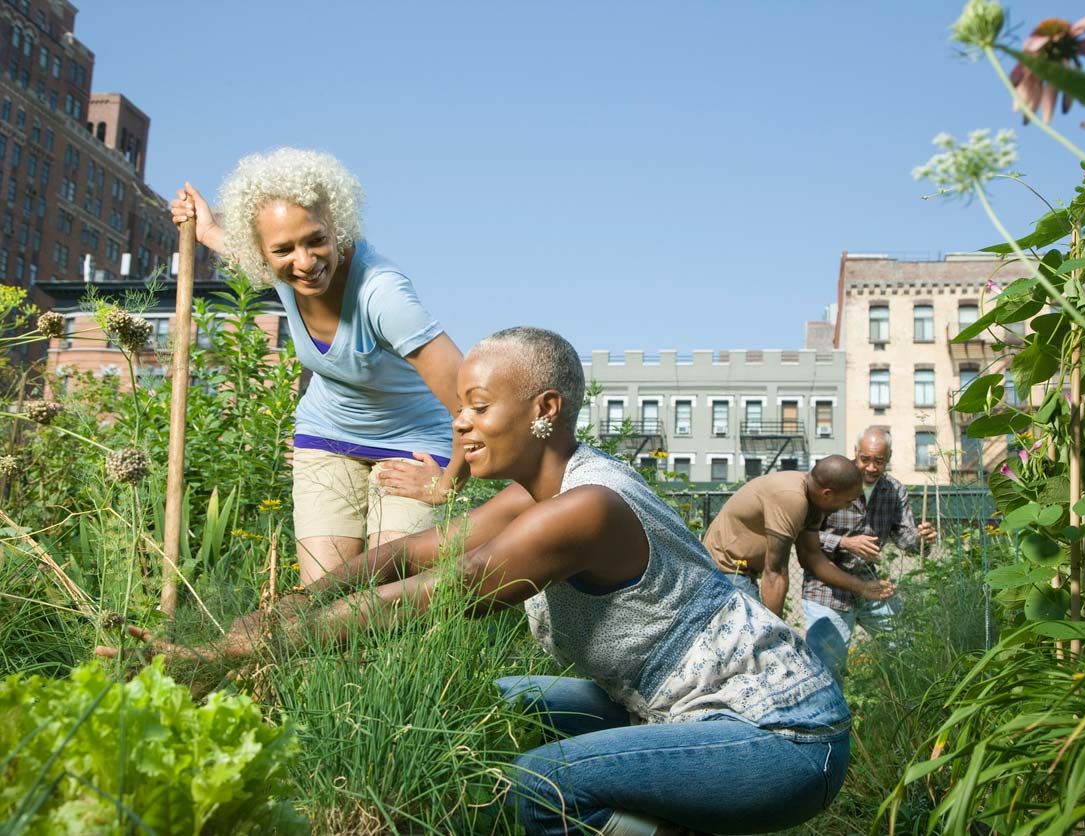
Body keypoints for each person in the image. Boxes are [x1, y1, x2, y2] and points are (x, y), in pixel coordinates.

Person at [103, 327, 851, 836]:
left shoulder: (586, 508)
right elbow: (406, 557)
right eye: (458, 405)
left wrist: (239, 655)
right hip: (675, 713)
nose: (459, 424)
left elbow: (443, 592)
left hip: (780, 737)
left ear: (544, 410)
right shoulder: (534, 497)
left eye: (479, 406)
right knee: (488, 706)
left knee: (539, 782)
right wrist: (290, 605)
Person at [169, 149, 466, 585]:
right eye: (284, 249)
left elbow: (470, 403)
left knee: (388, 595)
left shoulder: (383, 296)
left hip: (413, 442)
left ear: (337, 227)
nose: (305, 262)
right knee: (324, 599)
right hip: (328, 436)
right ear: (261, 254)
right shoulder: (280, 267)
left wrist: (447, 486)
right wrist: (208, 227)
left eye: (316, 240)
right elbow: (248, 245)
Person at [802, 427, 937, 680]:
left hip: (869, 583)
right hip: (826, 588)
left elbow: (906, 538)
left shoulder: (894, 490)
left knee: (906, 649)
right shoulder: (830, 481)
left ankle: (899, 707)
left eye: (879, 461)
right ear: (855, 454)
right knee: (826, 670)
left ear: (889, 458)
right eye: (865, 459)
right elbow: (803, 536)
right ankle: (829, 719)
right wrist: (844, 542)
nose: (872, 467)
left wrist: (922, 539)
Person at [703, 459, 896, 617]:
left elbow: (812, 558)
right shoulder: (792, 498)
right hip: (724, 570)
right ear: (827, 494)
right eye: (847, 501)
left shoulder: (815, 502)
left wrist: (862, 587)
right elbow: (775, 572)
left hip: (742, 572)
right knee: (751, 640)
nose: (847, 507)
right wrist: (775, 635)